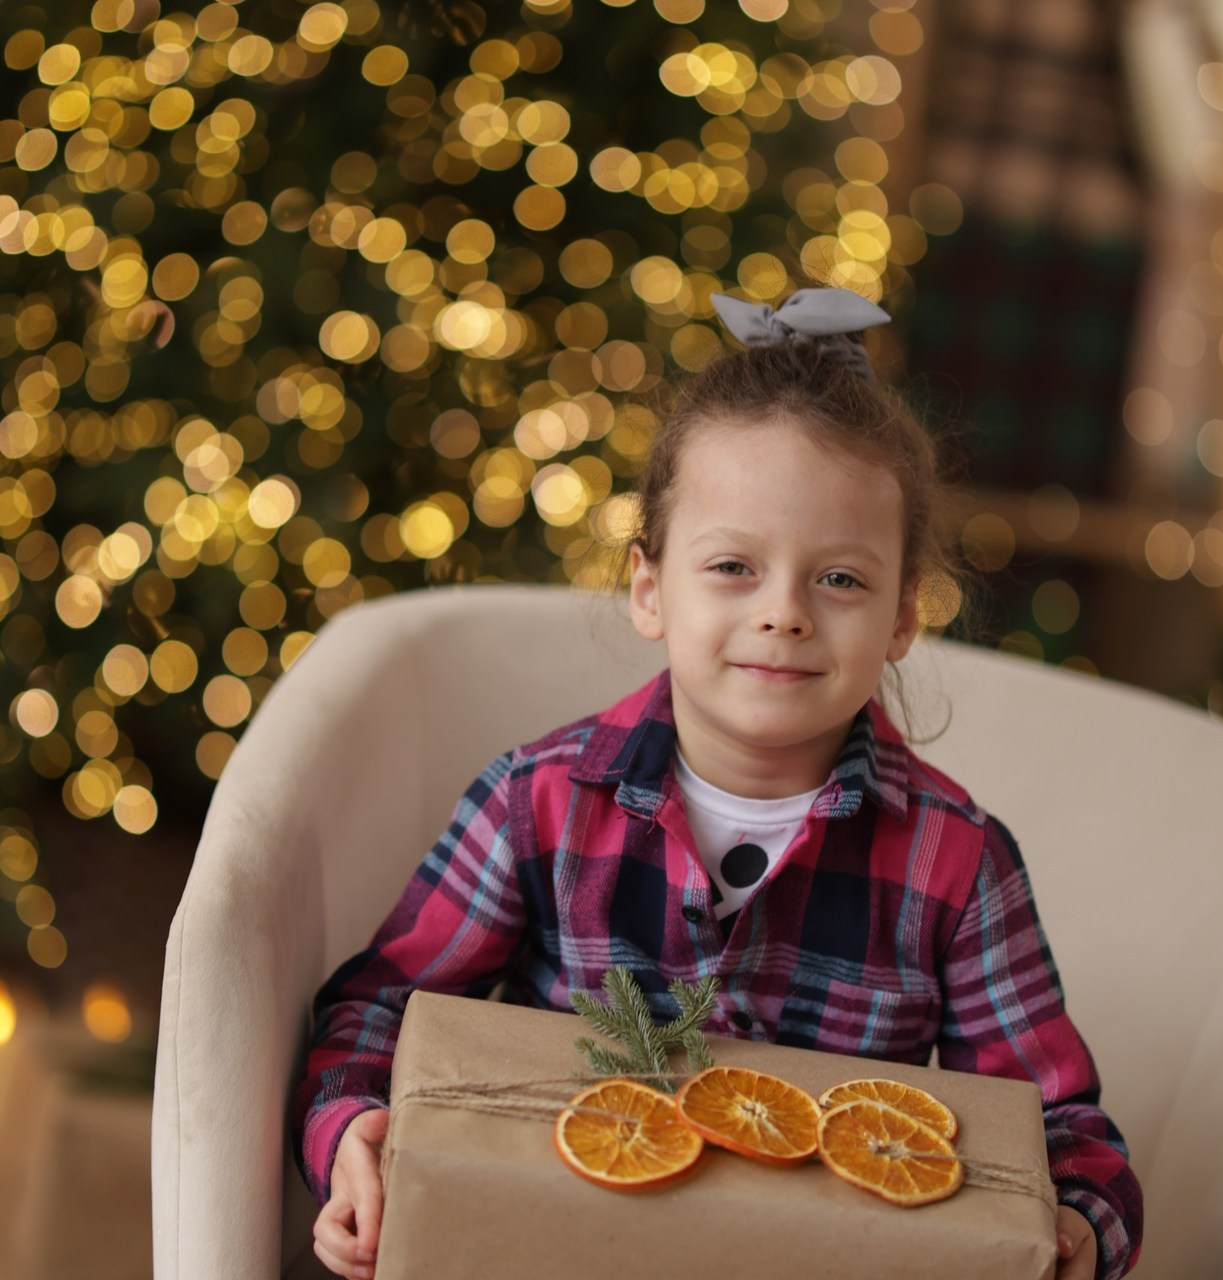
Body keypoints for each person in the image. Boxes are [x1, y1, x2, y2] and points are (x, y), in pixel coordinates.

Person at [292, 287, 1143, 1280]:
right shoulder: (540, 800)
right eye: (733, 564)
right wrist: (348, 1130)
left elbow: (1060, 1129)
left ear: (903, 616)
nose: (782, 613)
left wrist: (1080, 1223)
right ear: (649, 588)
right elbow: (376, 1008)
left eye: (839, 579)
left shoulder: (956, 861)